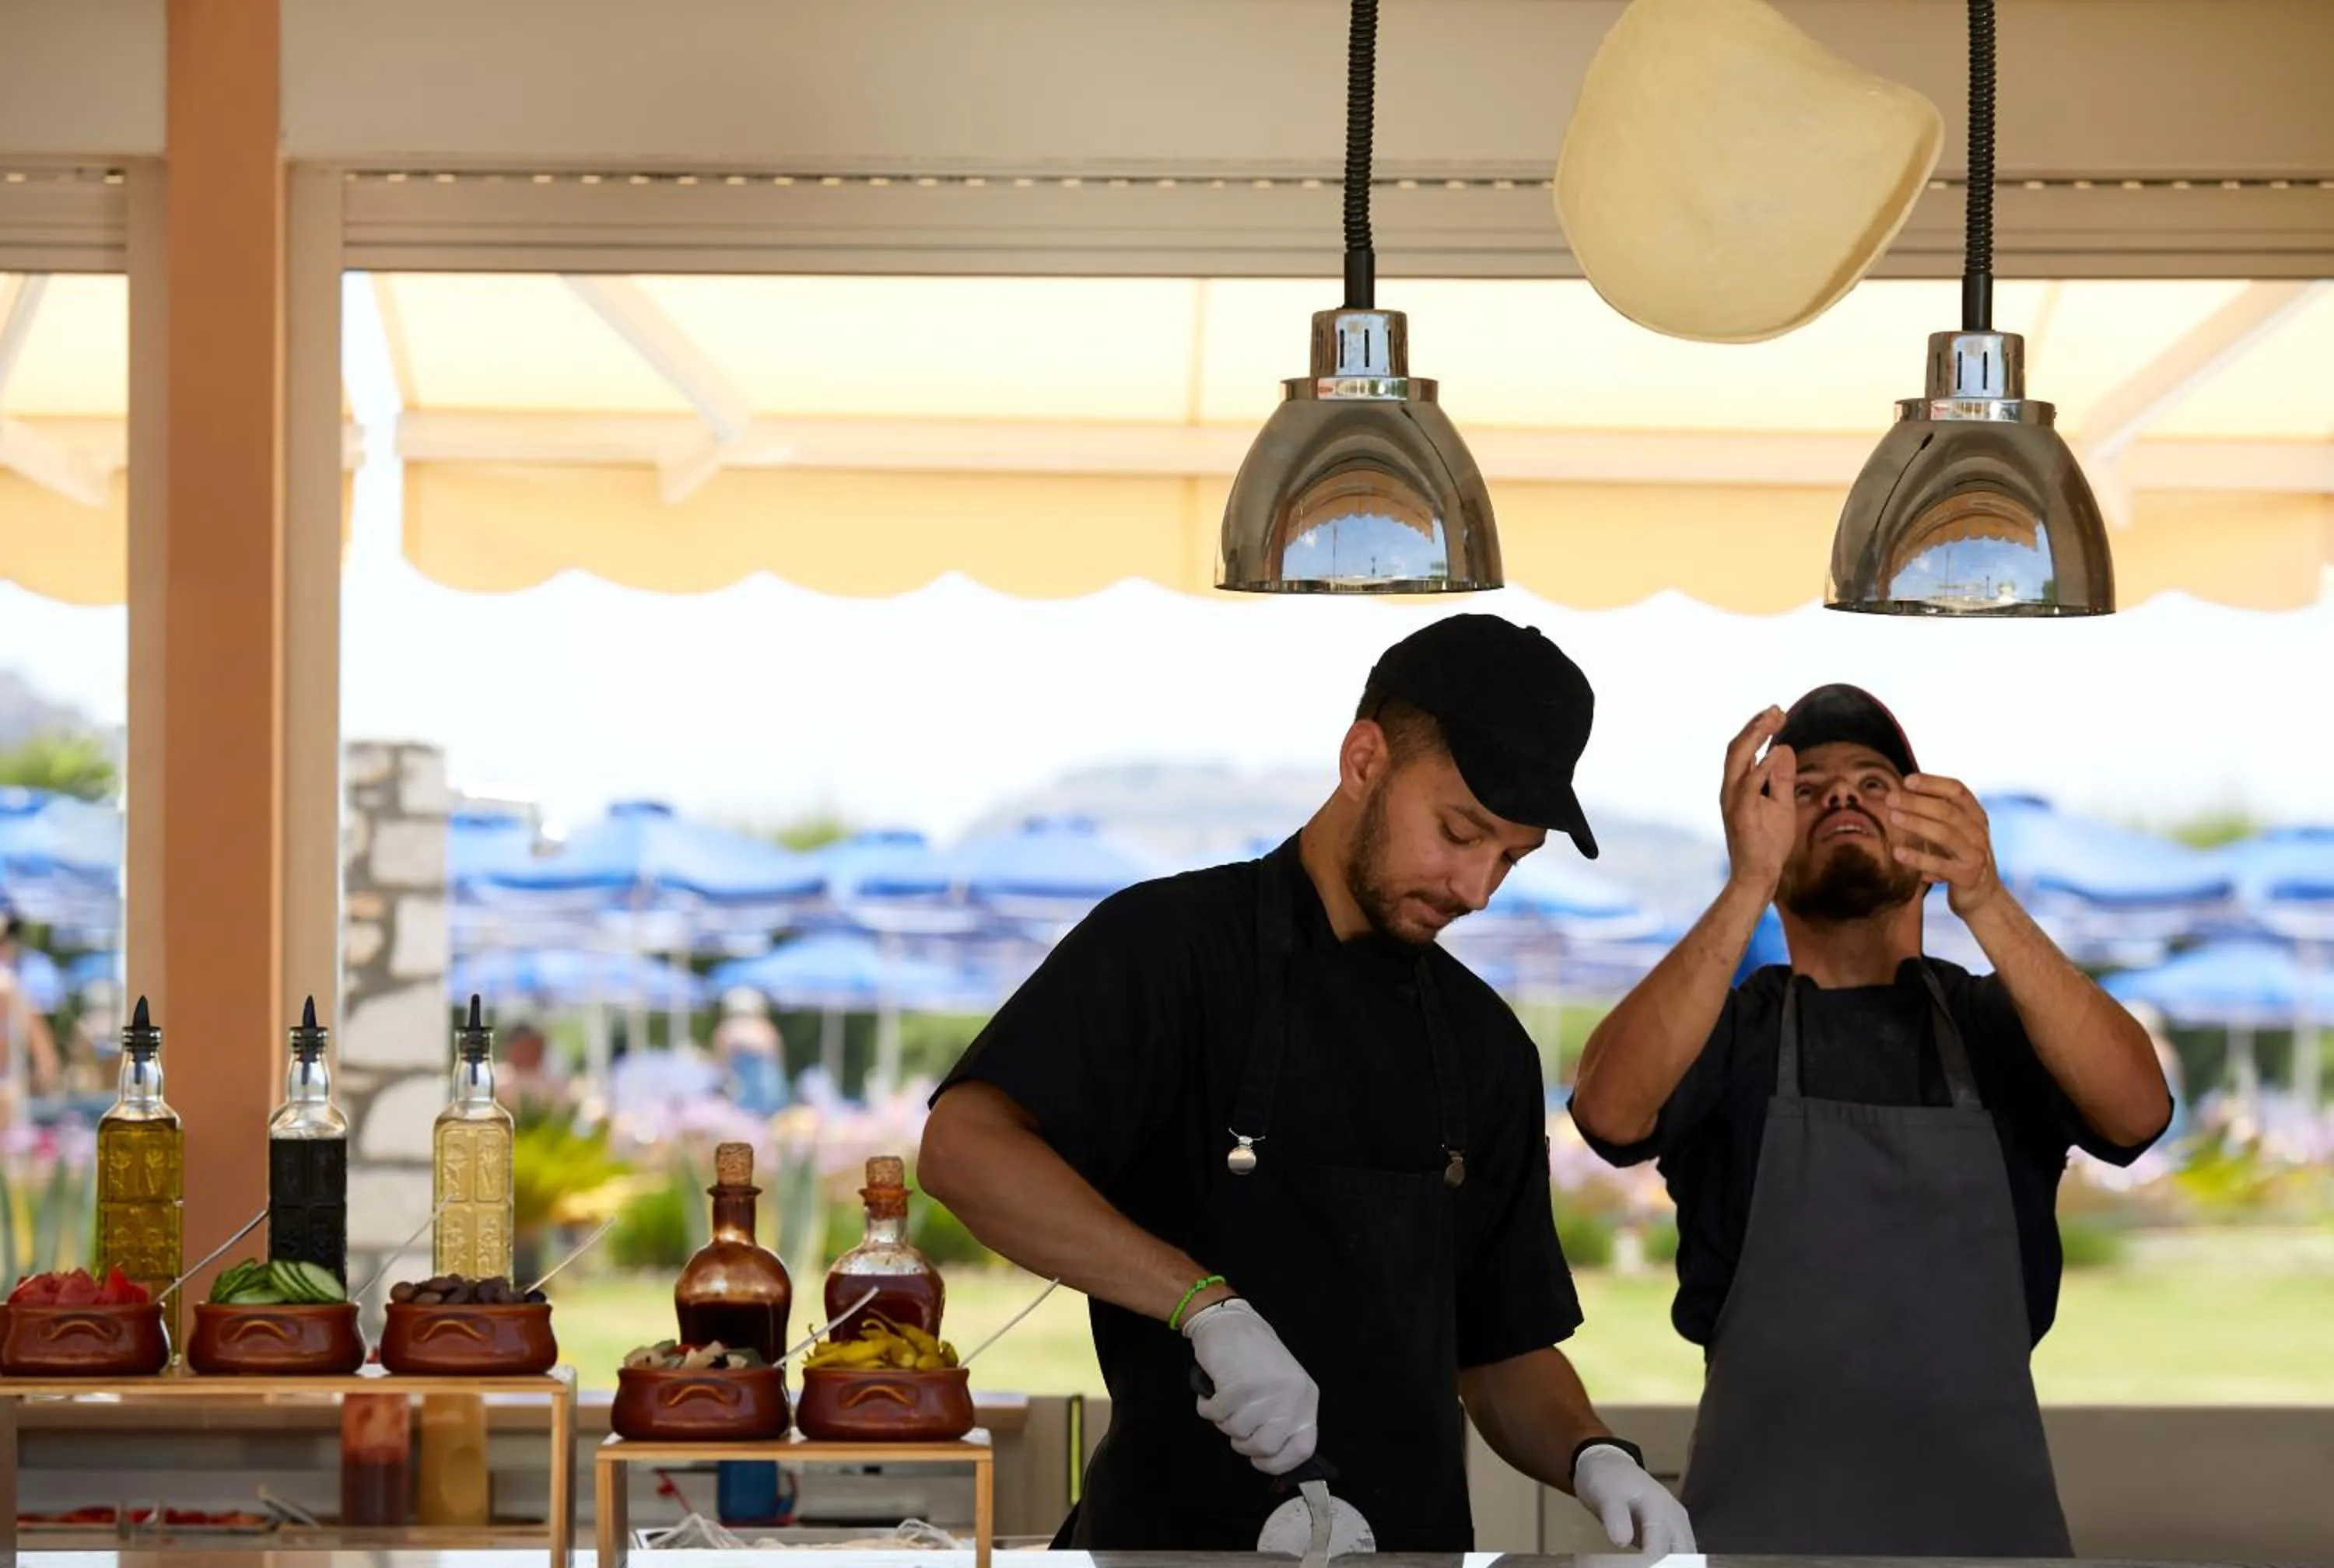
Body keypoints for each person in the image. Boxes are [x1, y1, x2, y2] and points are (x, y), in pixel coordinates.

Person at [920, 615, 1694, 1555]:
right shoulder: (1170, 949)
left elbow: (1502, 1348)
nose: (1477, 888)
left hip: (1411, 1549)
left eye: (1510, 858)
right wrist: (1203, 1305)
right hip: (1169, 1547)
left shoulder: (1486, 1044)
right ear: (1363, 759)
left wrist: (1592, 1454)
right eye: (1459, 833)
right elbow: (964, 1146)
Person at [1568, 684, 2173, 1557]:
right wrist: (1747, 882)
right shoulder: (1733, 1030)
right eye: (1806, 791)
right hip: (1759, 1533)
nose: (1842, 797)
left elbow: (2138, 1109)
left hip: (1987, 1537)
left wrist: (1989, 900)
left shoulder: (1996, 1024)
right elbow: (1608, 1107)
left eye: (1873, 783)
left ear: (1929, 841)